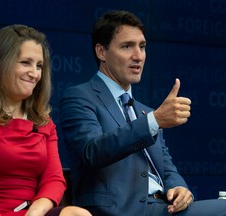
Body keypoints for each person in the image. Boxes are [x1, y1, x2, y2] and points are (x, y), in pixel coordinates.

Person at [59, 10, 226, 216]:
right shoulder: (79, 97)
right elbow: (92, 151)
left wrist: (180, 188)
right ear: (101, 52)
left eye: (142, 46)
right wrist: (153, 121)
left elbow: (166, 168)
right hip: (118, 210)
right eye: (127, 46)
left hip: (164, 208)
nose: (138, 56)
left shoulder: (144, 111)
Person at [0, 24, 92, 216]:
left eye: (39, 65)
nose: (35, 73)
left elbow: (54, 179)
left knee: (77, 214)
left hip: (30, 213)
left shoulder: (43, 122)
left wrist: (35, 212)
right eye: (25, 62)